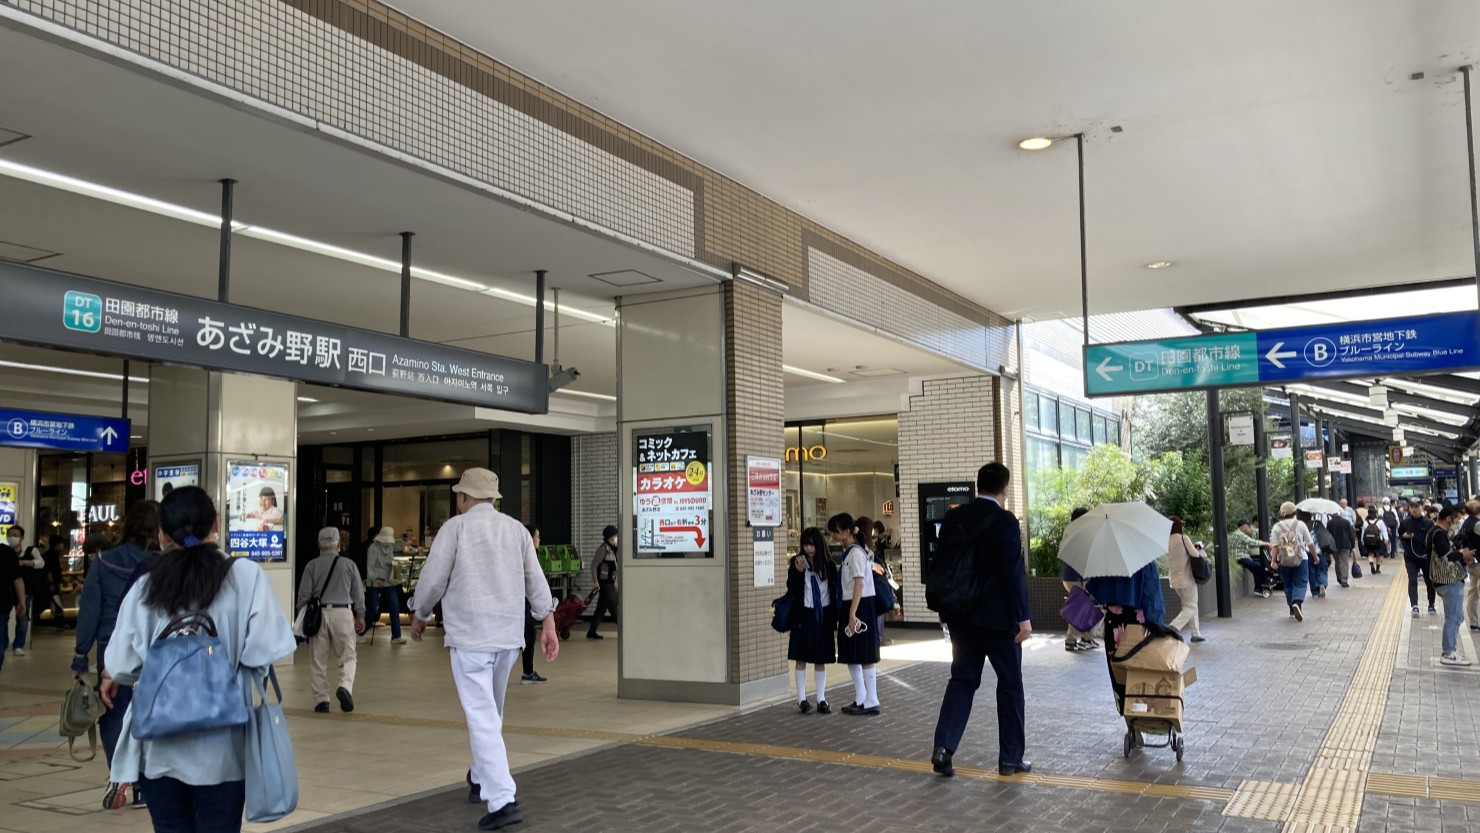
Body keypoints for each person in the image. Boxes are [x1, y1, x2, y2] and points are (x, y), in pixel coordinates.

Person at [100, 485, 296, 825]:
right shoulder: (245, 576)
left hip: (159, 749)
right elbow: (269, 648)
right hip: (224, 750)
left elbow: (119, 666)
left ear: (161, 534)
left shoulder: (146, 586)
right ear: (216, 524)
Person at [408, 468, 558, 831]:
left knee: (482, 716)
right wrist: (548, 622)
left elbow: (432, 578)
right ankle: (479, 776)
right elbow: (535, 579)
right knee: (491, 712)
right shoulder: (516, 530)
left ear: (463, 498)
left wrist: (420, 612)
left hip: (470, 637)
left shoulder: (455, 529)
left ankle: (503, 798)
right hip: (508, 637)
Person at [930, 463, 1032, 779]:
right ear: (1005, 489)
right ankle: (1010, 760)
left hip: (961, 616)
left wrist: (946, 612)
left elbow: (943, 566)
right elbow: (1013, 573)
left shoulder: (954, 517)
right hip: (999, 620)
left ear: (978, 485)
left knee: (962, 680)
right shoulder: (1005, 522)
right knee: (1011, 684)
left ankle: (943, 749)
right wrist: (1023, 617)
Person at [71, 500, 160, 806]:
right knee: (151, 715)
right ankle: (145, 784)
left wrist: (80, 655)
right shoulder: (165, 562)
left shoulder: (105, 561)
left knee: (113, 715)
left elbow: (90, 612)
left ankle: (121, 775)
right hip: (156, 648)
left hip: (113, 650)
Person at [297, 527, 366, 713]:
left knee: (317, 659)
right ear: (339, 544)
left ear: (319, 544)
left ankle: (322, 700)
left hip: (319, 615)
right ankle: (344, 686)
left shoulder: (311, 565)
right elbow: (358, 593)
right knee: (348, 656)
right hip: (343, 613)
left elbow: (303, 595)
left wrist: (301, 615)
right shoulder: (349, 565)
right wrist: (360, 615)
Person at [829, 512, 881, 717]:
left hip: (860, 605)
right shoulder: (851, 552)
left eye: (837, 531)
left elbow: (859, 583)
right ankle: (861, 697)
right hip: (854, 604)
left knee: (864, 652)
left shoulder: (856, 553)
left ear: (848, 532)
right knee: (852, 652)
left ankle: (871, 699)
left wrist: (852, 612)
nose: (834, 534)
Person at [787, 527, 837, 714]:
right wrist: (797, 572)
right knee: (801, 657)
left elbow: (833, 591)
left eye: (812, 545)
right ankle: (801, 699)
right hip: (803, 614)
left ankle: (821, 698)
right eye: (806, 545)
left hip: (822, 615)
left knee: (820, 658)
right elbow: (791, 588)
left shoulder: (828, 565)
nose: (809, 549)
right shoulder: (797, 563)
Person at [1425, 506, 1475, 666]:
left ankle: (1451, 650)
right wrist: (1463, 554)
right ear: (1448, 519)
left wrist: (1462, 557)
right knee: (1453, 617)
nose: (1457, 522)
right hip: (1447, 580)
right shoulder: (1438, 534)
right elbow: (1446, 556)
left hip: (1447, 580)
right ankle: (1448, 653)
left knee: (1457, 616)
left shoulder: (1436, 532)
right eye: (1456, 519)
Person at [1060, 507, 1100, 651]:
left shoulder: (1069, 532)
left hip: (1068, 576)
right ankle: (1071, 640)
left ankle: (1086, 638)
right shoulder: (1079, 534)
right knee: (1080, 608)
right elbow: (1082, 558)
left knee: (1084, 607)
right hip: (1075, 577)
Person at [1271, 502, 1318, 621]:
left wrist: (1273, 560)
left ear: (1282, 513)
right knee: (1301, 582)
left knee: (1288, 584)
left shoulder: (1277, 527)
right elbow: (1309, 543)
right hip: (1301, 558)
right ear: (1295, 513)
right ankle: (1297, 602)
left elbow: (1275, 546)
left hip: (1284, 559)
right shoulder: (1300, 525)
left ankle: (1292, 609)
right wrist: (1315, 557)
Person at [1165, 517, 1205, 643]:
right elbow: (1195, 555)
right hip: (1187, 579)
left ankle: (1195, 633)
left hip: (1175, 580)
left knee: (1188, 605)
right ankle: (1174, 626)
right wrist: (1199, 548)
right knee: (1191, 606)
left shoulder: (1166, 541)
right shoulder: (1183, 538)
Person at [364, 526, 405, 645]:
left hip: (389, 582)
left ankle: (396, 636)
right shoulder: (373, 548)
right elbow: (370, 567)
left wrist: (394, 566)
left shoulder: (390, 547)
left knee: (394, 607)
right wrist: (376, 579)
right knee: (373, 610)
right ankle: (360, 632)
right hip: (375, 583)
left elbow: (391, 559)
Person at [1399, 498, 1437, 617]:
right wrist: (1404, 537)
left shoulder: (1429, 523)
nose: (1414, 509)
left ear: (1422, 507)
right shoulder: (1405, 523)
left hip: (1426, 556)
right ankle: (1414, 606)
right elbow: (1400, 537)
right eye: (1412, 507)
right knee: (1413, 580)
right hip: (1411, 556)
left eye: (1417, 506)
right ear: (1409, 508)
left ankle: (1431, 604)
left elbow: (1433, 540)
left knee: (1429, 581)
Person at [520, 524, 547, 685]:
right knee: (528, 635)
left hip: (524, 601)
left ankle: (528, 672)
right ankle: (528, 672)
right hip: (522, 601)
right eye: (537, 536)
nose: (539, 539)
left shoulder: (528, 553)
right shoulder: (526, 554)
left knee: (528, 635)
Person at [586, 525, 619, 640]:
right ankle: (624, 630)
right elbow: (594, 565)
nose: (617, 537)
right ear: (610, 537)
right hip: (604, 584)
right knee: (614, 606)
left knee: (601, 608)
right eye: (616, 535)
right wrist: (595, 581)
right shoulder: (604, 549)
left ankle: (591, 631)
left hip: (610, 582)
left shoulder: (613, 549)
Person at [0, 526, 25, 670]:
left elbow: (17, 579)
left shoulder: (7, 553)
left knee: (1, 645)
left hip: (1, 606)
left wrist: (21, 601)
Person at [1231, 519, 1276, 597]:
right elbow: (1252, 542)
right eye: (1249, 528)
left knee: (1255, 569)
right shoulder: (1239, 534)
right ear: (1244, 527)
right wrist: (1267, 544)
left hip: (1243, 557)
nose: (1250, 530)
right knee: (1258, 566)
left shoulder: (1237, 534)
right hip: (1240, 557)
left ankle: (1258, 589)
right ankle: (1267, 580)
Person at [1461, 500, 1480, 633]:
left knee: (1473, 592)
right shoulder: (1477, 524)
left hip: (1471, 562)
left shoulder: (1465, 523)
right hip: (1478, 561)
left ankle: (1473, 622)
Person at [1326, 509, 1356, 589]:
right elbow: (1351, 535)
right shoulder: (1346, 522)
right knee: (1344, 562)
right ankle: (1344, 580)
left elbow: (1327, 534)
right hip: (1345, 545)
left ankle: (1339, 578)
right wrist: (1353, 546)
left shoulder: (1330, 523)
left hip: (1334, 545)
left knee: (1337, 561)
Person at [1309, 515, 1336, 598]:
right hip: (1322, 552)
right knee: (1322, 570)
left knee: (1312, 572)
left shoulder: (1308, 530)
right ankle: (1322, 584)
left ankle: (1314, 592)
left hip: (1310, 553)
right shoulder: (1323, 531)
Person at [1360, 506, 1389, 575]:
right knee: (1378, 555)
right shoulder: (1380, 522)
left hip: (1368, 541)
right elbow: (1384, 531)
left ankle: (1371, 564)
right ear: (1376, 514)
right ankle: (1378, 569)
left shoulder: (1365, 522)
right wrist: (1386, 539)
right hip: (1378, 541)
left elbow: (1363, 532)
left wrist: (1362, 541)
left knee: (1370, 554)